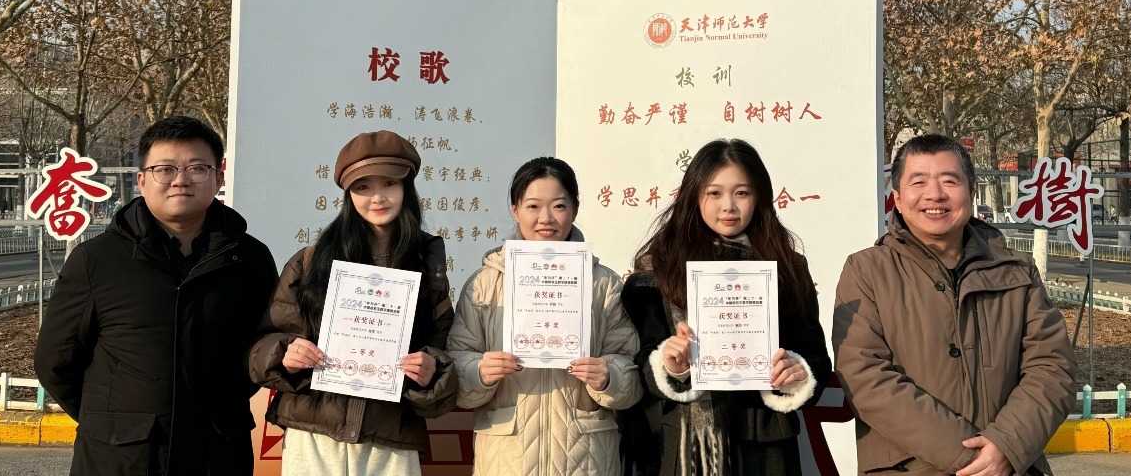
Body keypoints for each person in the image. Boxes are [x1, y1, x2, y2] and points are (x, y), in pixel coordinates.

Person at [35, 115, 278, 476]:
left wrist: (219, 406)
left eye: (197, 168)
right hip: (119, 460)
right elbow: (55, 362)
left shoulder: (250, 259)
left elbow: (261, 347)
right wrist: (111, 421)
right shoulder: (96, 260)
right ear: (142, 180)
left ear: (219, 177)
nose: (181, 180)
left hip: (217, 452)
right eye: (165, 169)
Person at [833, 134, 1077, 476]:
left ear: (972, 192)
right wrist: (968, 457)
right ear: (898, 199)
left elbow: (1052, 366)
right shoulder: (867, 271)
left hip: (1008, 466)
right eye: (919, 182)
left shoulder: (1016, 270)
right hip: (909, 468)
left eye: (949, 180)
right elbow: (864, 376)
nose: (935, 194)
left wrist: (1007, 446)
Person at [250, 130, 457, 476]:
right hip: (313, 436)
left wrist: (429, 371)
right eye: (363, 186)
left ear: (407, 188)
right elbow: (260, 345)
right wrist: (284, 353)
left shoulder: (427, 267)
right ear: (348, 194)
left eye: (389, 183)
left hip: (389, 441)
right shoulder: (310, 262)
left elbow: (443, 353)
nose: (377, 197)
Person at [619, 138, 831, 476]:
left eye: (741, 193)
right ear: (693, 197)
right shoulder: (659, 269)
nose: (728, 206)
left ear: (759, 197)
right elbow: (642, 362)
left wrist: (798, 372)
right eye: (714, 193)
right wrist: (670, 365)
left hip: (767, 444)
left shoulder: (788, 266)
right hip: (688, 448)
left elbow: (815, 355)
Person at [447, 156, 641, 476]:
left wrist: (609, 377)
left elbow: (632, 374)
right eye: (533, 206)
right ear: (515, 210)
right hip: (507, 459)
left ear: (574, 209)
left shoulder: (603, 284)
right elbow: (455, 366)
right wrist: (479, 371)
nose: (546, 219)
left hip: (586, 458)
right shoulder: (484, 284)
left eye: (559, 206)